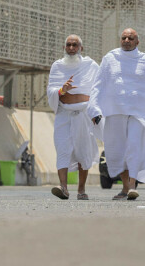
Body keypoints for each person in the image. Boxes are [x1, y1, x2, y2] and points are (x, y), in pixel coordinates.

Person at [90, 28, 145, 200]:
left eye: (130, 38)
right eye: (124, 37)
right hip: (114, 113)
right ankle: (125, 187)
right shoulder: (110, 59)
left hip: (137, 114)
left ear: (137, 42)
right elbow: (98, 85)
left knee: (134, 147)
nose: (126, 40)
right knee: (117, 152)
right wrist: (94, 108)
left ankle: (132, 185)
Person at [46, 35, 102, 200]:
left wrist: (95, 112)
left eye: (74, 45)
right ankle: (63, 187)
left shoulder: (91, 66)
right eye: (68, 45)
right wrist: (62, 90)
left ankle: (81, 189)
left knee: (82, 152)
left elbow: (98, 90)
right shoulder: (57, 66)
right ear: (64, 48)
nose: (71, 48)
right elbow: (51, 90)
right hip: (64, 114)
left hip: (84, 115)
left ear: (81, 48)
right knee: (62, 149)